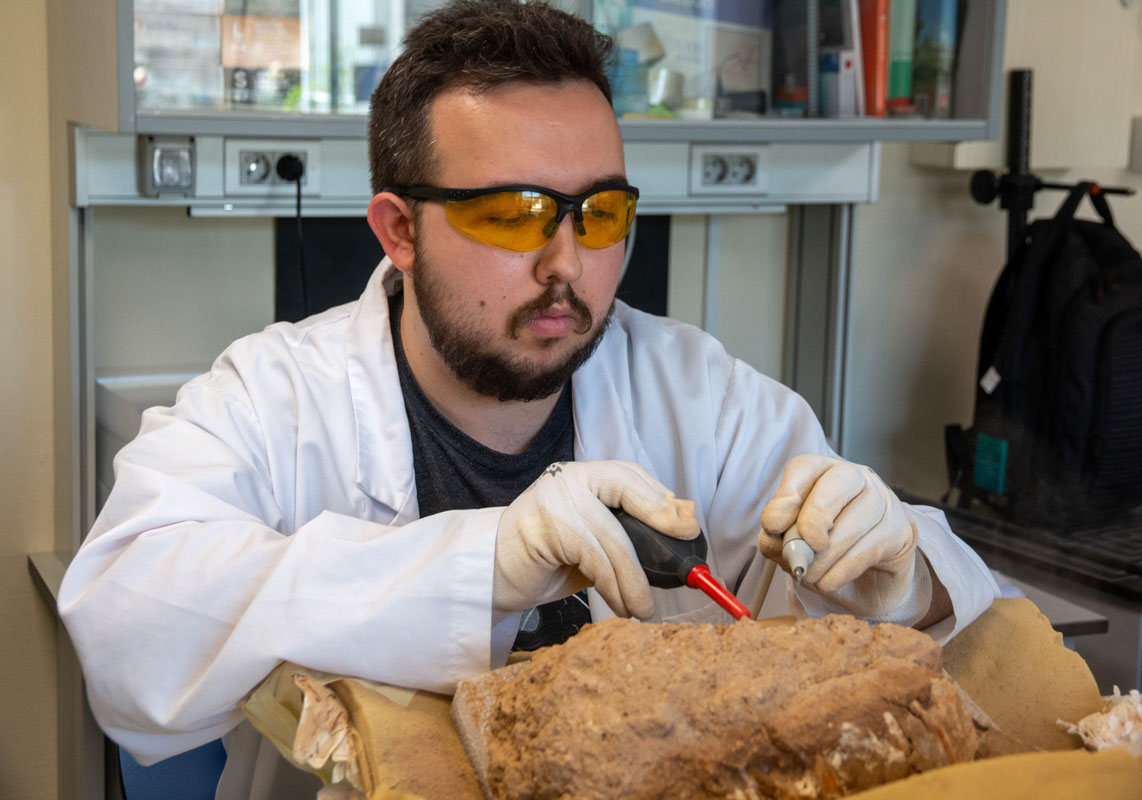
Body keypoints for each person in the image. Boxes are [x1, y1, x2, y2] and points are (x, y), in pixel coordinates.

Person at [58, 0, 1000, 797]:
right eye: (512, 213)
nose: (567, 265)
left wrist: (907, 585)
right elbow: (123, 630)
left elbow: (969, 615)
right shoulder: (279, 398)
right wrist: (486, 564)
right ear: (400, 230)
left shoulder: (694, 393)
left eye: (601, 214)